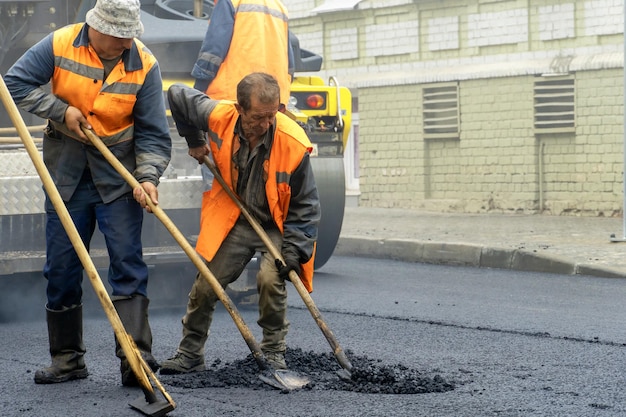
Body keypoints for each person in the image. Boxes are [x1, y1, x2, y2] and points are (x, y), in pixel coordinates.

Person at [4, 0, 171, 386]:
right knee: (61, 267)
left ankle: (136, 360)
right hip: (67, 173)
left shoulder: (143, 63)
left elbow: (154, 134)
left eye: (132, 36)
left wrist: (147, 178)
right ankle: (67, 360)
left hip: (118, 177)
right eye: (120, 37)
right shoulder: (59, 44)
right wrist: (60, 111)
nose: (127, 45)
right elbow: (14, 83)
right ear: (98, 28)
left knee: (128, 266)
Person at [160, 72, 320, 373]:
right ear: (239, 108)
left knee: (270, 280)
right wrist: (194, 140)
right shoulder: (220, 116)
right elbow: (177, 95)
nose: (266, 124)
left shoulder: (293, 144)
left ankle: (273, 353)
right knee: (206, 284)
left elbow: (306, 206)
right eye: (258, 117)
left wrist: (294, 252)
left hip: (277, 224)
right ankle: (190, 355)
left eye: (272, 116)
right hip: (239, 217)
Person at [191, 0, 295, 189]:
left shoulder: (230, 2)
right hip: (271, 105)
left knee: (221, 173)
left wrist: (197, 90)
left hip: (234, 101)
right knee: (259, 171)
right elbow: (290, 63)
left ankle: (223, 216)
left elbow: (213, 51)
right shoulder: (278, 6)